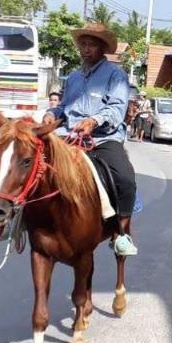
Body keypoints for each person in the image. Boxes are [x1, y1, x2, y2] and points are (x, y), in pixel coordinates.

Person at [44, 22, 138, 257]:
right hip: (68, 135)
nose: (85, 49)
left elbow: (117, 108)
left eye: (91, 45)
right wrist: (51, 113)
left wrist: (93, 121)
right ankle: (17, 221)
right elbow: (64, 106)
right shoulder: (74, 77)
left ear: (103, 48)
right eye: (83, 44)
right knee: (32, 165)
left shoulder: (116, 75)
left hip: (103, 138)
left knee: (125, 178)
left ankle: (122, 233)